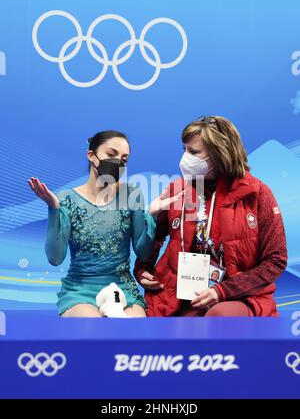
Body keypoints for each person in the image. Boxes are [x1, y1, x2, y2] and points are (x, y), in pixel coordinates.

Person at [134, 116, 288, 317]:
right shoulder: (178, 191)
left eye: (194, 152)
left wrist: (222, 291)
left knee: (219, 316)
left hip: (238, 296)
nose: (185, 158)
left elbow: (276, 259)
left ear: (220, 155)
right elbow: (154, 237)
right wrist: (142, 269)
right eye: (185, 150)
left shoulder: (257, 194)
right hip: (182, 295)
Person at [28, 130, 177, 318]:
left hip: (123, 287)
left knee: (133, 329)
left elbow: (144, 252)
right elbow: (55, 258)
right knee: (92, 328)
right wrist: (54, 209)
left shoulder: (132, 194)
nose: (117, 163)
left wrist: (152, 215)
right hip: (80, 289)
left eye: (124, 159)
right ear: (92, 155)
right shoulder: (67, 199)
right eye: (111, 155)